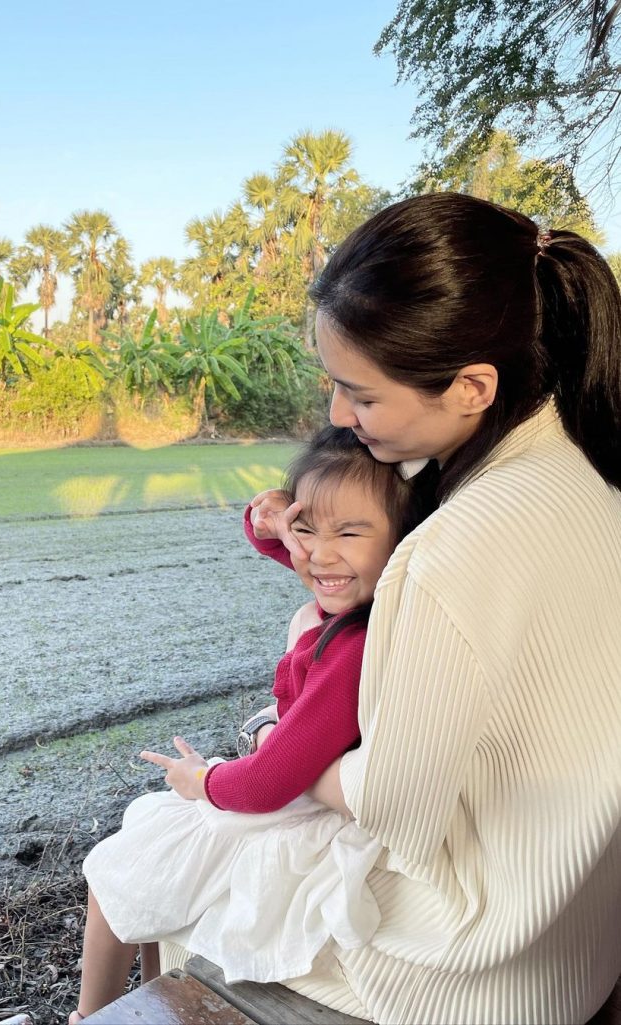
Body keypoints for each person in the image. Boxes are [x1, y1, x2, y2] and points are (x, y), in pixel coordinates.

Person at [155, 192, 619, 1025]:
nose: (336, 416)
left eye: (359, 396)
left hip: (473, 965)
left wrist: (269, 746)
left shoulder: (455, 545)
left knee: (160, 868)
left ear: (474, 385)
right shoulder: (584, 469)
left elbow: (392, 802)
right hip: (578, 930)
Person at [68, 427, 435, 1022]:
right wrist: (267, 521)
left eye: (349, 530)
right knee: (143, 850)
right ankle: (137, 1007)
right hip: (291, 791)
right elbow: (314, 560)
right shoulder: (365, 600)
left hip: (294, 806)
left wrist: (203, 779)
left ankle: (91, 1014)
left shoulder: (351, 653)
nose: (319, 553)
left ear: (403, 540)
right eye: (307, 528)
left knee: (116, 874)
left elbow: (268, 781)